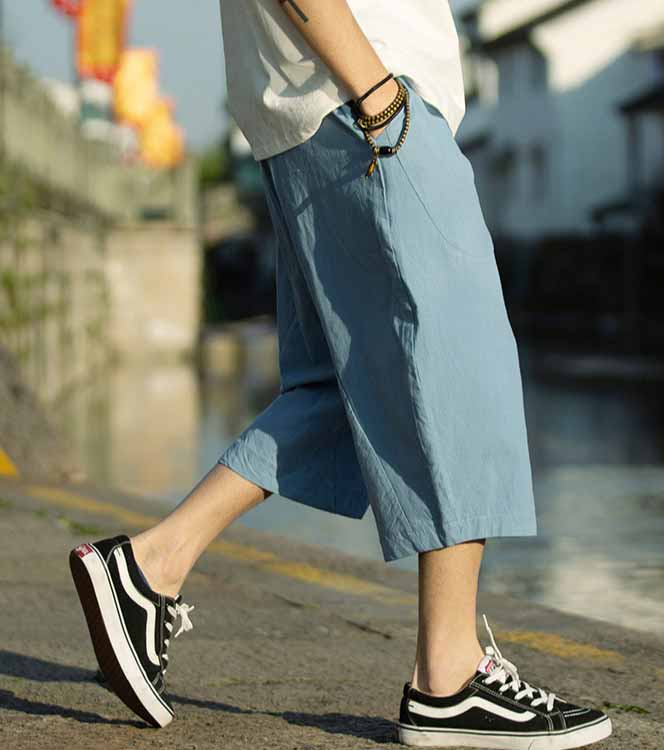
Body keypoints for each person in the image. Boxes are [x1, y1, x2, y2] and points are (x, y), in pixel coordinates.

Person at [68, 1, 613, 747]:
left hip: (320, 108)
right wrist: (377, 92)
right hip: (363, 100)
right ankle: (450, 677)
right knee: (461, 364)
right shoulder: (372, 97)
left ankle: (150, 567)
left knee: (344, 384)